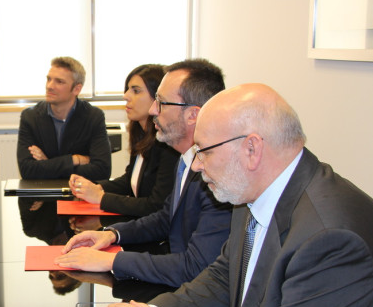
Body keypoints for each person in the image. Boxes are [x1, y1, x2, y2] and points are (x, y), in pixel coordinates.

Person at [90, 83, 373, 307]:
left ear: (251, 149)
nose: (196, 165)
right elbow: (224, 276)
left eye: (204, 150)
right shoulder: (252, 191)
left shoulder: (331, 240)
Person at [56, 59, 232, 287]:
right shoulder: (187, 158)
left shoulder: (218, 176)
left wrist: (112, 260)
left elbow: (194, 267)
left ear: (193, 115)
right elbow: (164, 218)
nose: (152, 110)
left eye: (161, 103)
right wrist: (111, 234)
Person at [70, 64, 178, 217]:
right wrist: (93, 187)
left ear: (158, 97)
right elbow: (129, 181)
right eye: (127, 89)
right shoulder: (141, 134)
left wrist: (101, 198)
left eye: (136, 91)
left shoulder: (168, 144)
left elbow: (155, 206)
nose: (126, 96)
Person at [17, 56, 111, 180]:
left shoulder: (93, 116)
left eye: (59, 82)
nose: (50, 86)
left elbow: (102, 170)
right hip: (43, 195)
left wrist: (48, 163)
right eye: (49, 79)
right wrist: (74, 159)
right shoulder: (30, 117)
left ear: (77, 89)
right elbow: (27, 170)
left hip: (79, 194)